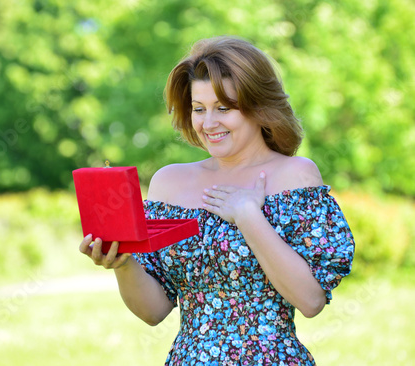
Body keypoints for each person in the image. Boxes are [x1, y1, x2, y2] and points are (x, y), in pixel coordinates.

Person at [80, 36, 355, 365]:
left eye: (223, 108)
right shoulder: (169, 182)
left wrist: (247, 215)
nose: (208, 124)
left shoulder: (294, 175)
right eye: (199, 109)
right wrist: (123, 263)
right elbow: (153, 312)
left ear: (258, 106)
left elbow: (310, 301)